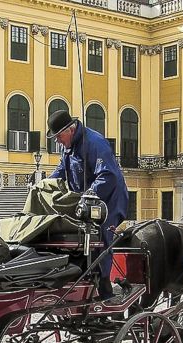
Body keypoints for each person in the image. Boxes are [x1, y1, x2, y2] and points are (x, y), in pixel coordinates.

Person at [45, 109, 128, 297]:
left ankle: (104, 287)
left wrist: (89, 194)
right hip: (84, 202)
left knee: (101, 237)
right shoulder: (68, 147)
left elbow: (109, 175)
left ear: (70, 130)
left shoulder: (95, 142)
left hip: (109, 201)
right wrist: (45, 185)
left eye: (58, 136)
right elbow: (61, 170)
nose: (57, 141)